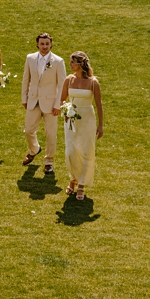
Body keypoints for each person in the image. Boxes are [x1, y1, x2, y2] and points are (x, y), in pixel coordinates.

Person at [59, 51, 104, 200]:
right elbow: (62, 100)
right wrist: (66, 111)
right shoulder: (69, 80)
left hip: (87, 120)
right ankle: (73, 178)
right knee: (71, 151)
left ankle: (81, 185)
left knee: (86, 151)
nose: (70, 65)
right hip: (71, 120)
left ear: (81, 64)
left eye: (73, 62)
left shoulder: (93, 82)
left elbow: (98, 105)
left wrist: (100, 125)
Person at [22, 31, 67, 175]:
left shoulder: (58, 61)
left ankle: (49, 162)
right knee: (28, 130)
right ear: (37, 44)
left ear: (51, 44)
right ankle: (34, 149)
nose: (45, 46)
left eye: (47, 44)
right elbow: (26, 79)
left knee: (50, 134)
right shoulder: (30, 58)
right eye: (42, 44)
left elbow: (62, 85)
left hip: (51, 104)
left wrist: (58, 104)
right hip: (33, 101)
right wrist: (24, 98)